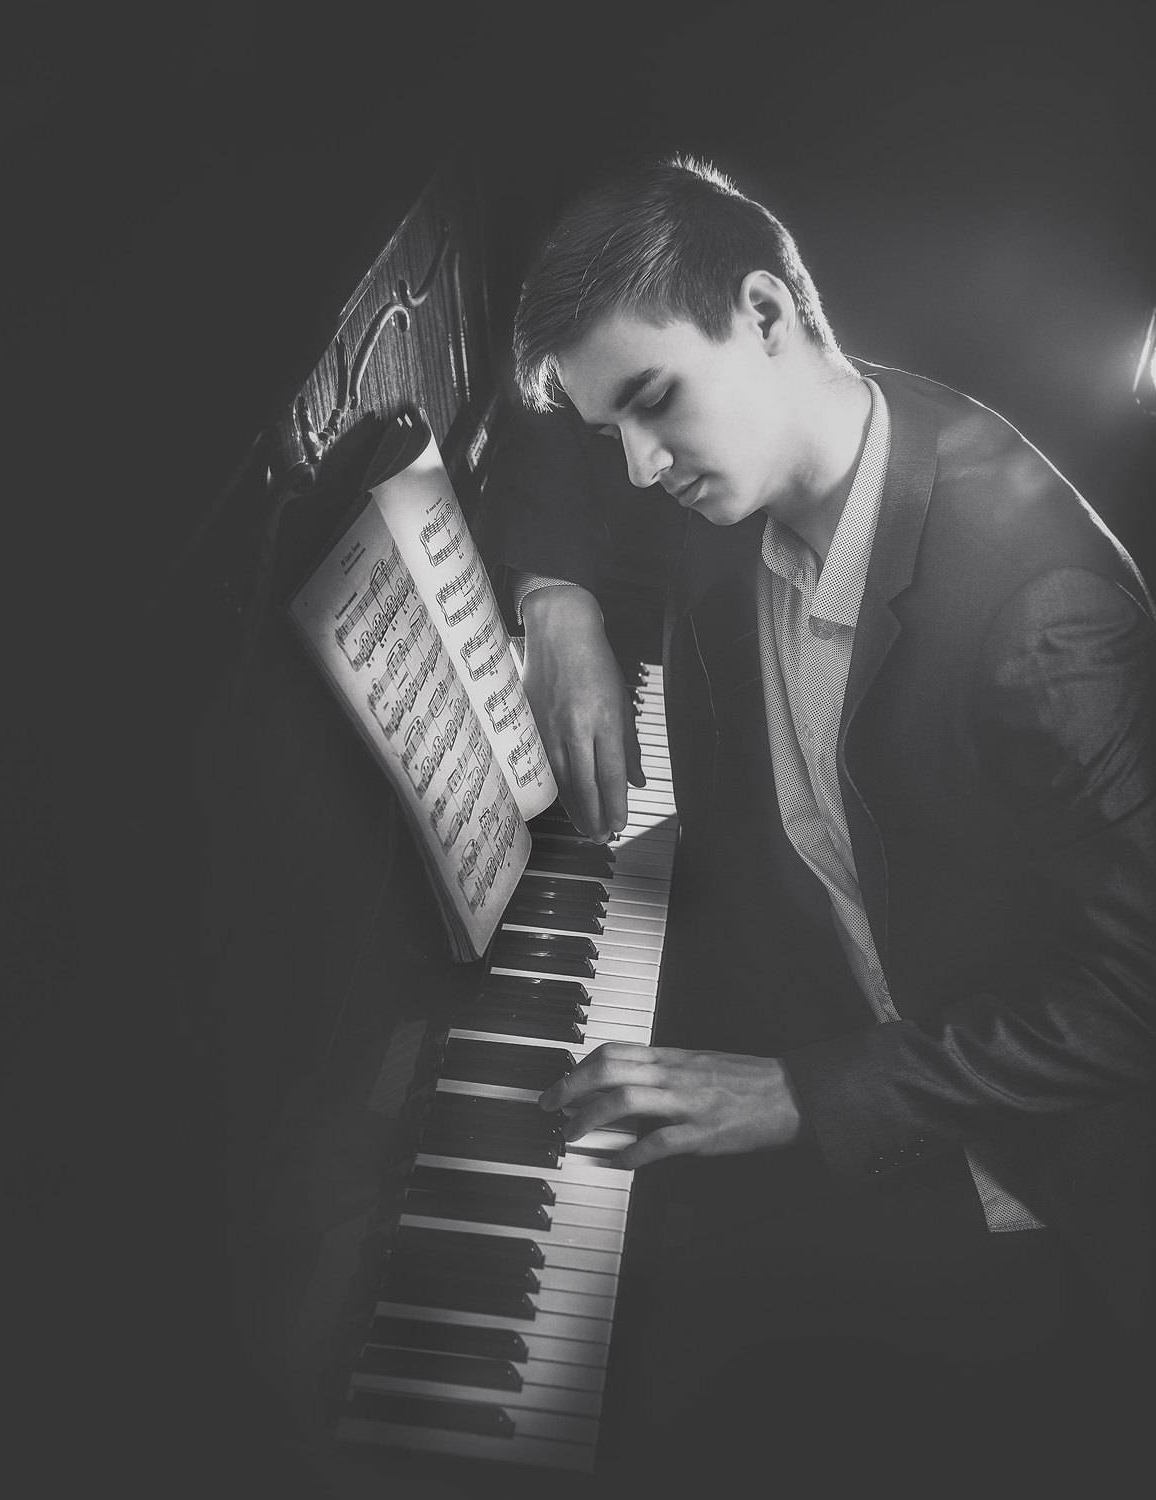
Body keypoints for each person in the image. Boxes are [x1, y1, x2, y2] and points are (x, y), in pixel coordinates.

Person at [478, 154, 1156, 1482]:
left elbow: (1139, 996)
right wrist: (558, 603)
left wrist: (800, 1094)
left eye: (654, 403)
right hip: (808, 1012)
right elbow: (550, 444)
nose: (639, 465)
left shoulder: (1042, 617)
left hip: (1008, 1191)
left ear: (768, 312)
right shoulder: (753, 457)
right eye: (616, 426)